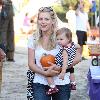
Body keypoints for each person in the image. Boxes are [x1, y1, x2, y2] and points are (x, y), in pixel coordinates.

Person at [27, 6, 81, 100]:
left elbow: (78, 57)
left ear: (53, 21)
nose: (43, 22)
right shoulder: (33, 38)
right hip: (40, 82)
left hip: (61, 82)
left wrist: (61, 68)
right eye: (40, 19)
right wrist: (45, 73)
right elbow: (31, 64)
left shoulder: (61, 36)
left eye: (46, 19)